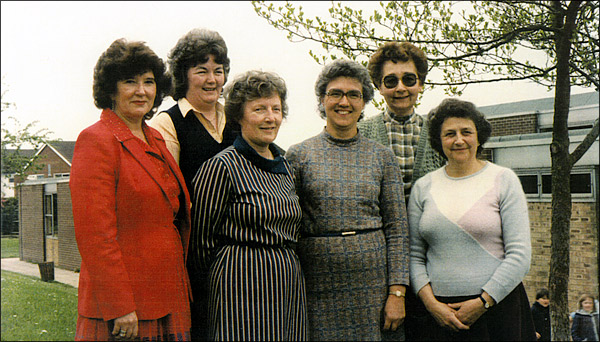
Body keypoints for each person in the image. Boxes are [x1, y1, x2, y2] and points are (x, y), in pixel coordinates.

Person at [70, 39, 191, 341]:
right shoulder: (97, 141)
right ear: (110, 89)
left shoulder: (156, 139)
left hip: (169, 298)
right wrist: (119, 304)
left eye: (149, 82)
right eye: (130, 82)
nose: (142, 91)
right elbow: (95, 235)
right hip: (126, 309)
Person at [286, 59, 410, 341]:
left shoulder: (382, 157)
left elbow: (398, 229)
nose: (344, 102)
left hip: (374, 290)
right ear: (322, 100)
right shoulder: (299, 155)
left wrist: (397, 292)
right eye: (336, 94)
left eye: (354, 94)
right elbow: (289, 227)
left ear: (364, 102)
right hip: (317, 288)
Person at [191, 70, 307, 340]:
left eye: (276, 109)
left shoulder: (286, 166)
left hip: (286, 288)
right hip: (239, 290)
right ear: (239, 116)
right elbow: (200, 245)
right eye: (259, 109)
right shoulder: (221, 167)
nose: (271, 117)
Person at [408, 98, 536, 341]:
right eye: (449, 134)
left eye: (466, 132)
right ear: (438, 140)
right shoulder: (423, 187)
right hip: (439, 318)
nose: (459, 140)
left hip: (496, 312)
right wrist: (432, 305)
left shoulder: (503, 179)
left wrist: (483, 302)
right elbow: (414, 256)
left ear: (478, 137)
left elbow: (520, 255)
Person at [148, 28, 236, 340]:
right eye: (202, 71)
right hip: (196, 258)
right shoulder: (168, 122)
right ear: (183, 75)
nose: (212, 79)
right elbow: (166, 197)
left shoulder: (237, 119)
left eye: (218, 70)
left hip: (239, 255)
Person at [357, 41, 446, 340]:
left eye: (409, 79)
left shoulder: (438, 135)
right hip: (378, 263)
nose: (400, 88)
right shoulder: (361, 133)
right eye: (390, 81)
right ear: (378, 87)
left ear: (420, 83)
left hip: (432, 260)